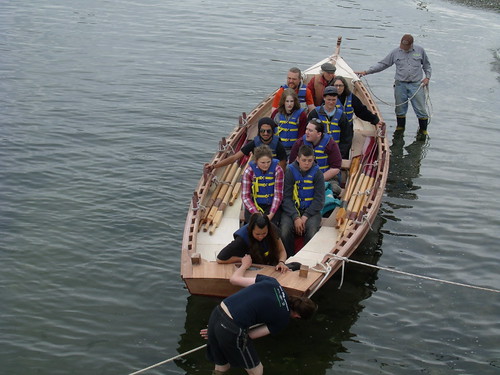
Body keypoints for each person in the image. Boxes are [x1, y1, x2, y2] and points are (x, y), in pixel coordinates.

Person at [200, 254, 317, 375]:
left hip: (217, 314)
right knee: (257, 370)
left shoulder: (273, 282)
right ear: (298, 316)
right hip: (230, 328)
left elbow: (235, 280)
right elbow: (250, 335)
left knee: (222, 366)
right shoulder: (283, 319)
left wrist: (217, 331)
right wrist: (225, 333)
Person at [355, 34, 432, 135]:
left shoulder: (420, 51)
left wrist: (427, 77)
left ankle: (423, 131)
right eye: (402, 46)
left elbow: (427, 65)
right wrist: (366, 72)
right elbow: (383, 64)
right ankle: (400, 128)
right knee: (400, 109)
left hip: (416, 85)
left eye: (406, 47)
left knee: (421, 109)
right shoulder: (395, 53)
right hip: (400, 85)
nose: (404, 49)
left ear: (411, 45)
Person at [281, 145, 325, 256]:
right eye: (304, 160)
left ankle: (305, 258)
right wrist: (295, 217)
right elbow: (286, 198)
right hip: (292, 210)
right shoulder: (290, 171)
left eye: (310, 161)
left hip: (311, 211)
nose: (306, 163)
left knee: (311, 233)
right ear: (298, 159)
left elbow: (319, 200)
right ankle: (288, 257)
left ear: (313, 160)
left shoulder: (318, 173)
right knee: (284, 231)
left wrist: (305, 216)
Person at [206, 117, 287, 172]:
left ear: (273, 131)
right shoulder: (253, 143)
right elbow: (234, 157)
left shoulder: (278, 145)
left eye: (268, 131)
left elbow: (282, 166)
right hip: (258, 171)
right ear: (259, 131)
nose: (265, 133)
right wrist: (214, 166)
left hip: (273, 172)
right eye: (262, 131)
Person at [217, 212, 289, 272]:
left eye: (264, 233)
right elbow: (220, 259)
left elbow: (281, 250)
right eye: (257, 234)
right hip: (253, 269)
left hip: (271, 266)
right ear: (251, 230)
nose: (261, 237)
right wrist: (241, 260)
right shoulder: (241, 240)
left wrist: (281, 262)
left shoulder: (272, 230)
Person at [288, 118, 342, 194]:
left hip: (325, 178)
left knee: (335, 189)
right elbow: (292, 165)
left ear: (319, 134)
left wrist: (318, 179)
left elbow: (336, 168)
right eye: (306, 129)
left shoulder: (330, 144)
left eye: (310, 131)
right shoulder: (299, 143)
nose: (307, 132)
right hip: (302, 178)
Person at [241, 145, 284, 224]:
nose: (266, 165)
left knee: (271, 226)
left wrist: (271, 214)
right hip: (254, 205)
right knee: (254, 226)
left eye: (268, 162)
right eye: (263, 162)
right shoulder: (249, 171)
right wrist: (256, 212)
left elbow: (278, 195)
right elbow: (245, 196)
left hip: (271, 205)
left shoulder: (278, 170)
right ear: (256, 161)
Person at [307, 86, 351, 159]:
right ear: (324, 98)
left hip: (336, 152)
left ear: (337, 99)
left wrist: (340, 154)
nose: (331, 102)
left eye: (334, 100)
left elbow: (346, 138)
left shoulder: (342, 116)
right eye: (329, 99)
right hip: (316, 153)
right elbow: (308, 134)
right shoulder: (314, 114)